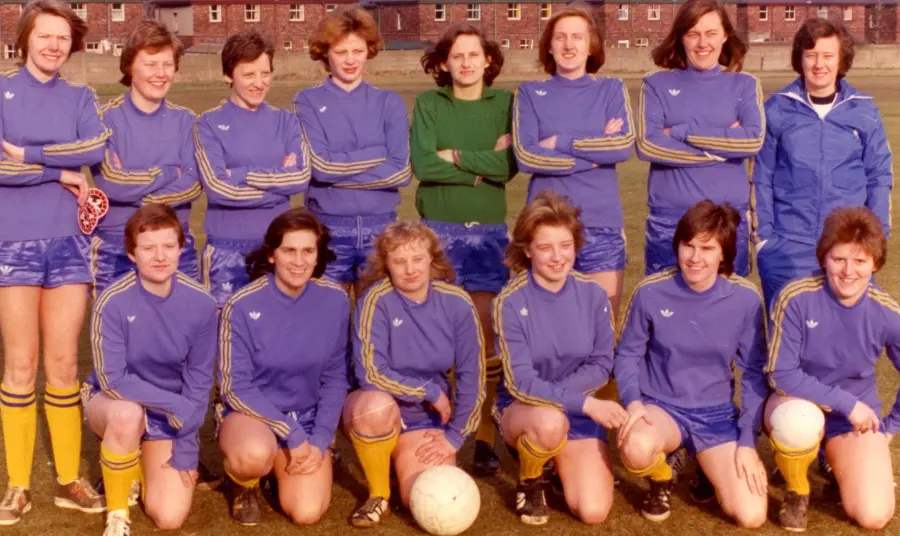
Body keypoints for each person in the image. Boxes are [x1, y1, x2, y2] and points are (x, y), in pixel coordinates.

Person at [0, 0, 110, 524]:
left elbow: (93, 147)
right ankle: (17, 484)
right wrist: (59, 173)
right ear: (25, 39)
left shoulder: (82, 96)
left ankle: (70, 478)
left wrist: (28, 157)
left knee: (65, 365)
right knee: (21, 365)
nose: (52, 45)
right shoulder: (1, 90)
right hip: (12, 243)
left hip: (68, 244)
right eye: (44, 36)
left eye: (62, 38)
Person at [614, 200, 768, 528]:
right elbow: (627, 354)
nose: (695, 258)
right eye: (688, 246)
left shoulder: (745, 298)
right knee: (637, 448)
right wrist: (634, 403)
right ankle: (662, 476)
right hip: (661, 408)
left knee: (752, 515)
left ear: (724, 253)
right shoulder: (651, 292)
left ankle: (703, 462)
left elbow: (753, 372)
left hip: (715, 414)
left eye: (707, 248)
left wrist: (746, 442)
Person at [411, 22, 517, 477]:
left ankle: (486, 439)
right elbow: (422, 163)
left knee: (484, 336)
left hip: (488, 231)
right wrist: (480, 168)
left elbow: (511, 164)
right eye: (457, 56)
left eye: (474, 54)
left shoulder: (506, 103)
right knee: (438, 337)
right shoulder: (429, 103)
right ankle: (440, 427)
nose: (467, 63)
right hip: (437, 230)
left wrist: (456, 156)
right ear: (443, 63)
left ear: (488, 60)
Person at [492, 191, 627, 526]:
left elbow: (601, 363)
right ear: (526, 249)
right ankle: (530, 479)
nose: (557, 257)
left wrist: (566, 400)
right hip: (525, 409)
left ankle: (557, 466)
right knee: (549, 422)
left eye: (565, 245)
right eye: (545, 247)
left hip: (575, 408)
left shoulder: (594, 295)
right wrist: (581, 404)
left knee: (593, 511)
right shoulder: (509, 302)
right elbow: (521, 382)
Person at [84, 204, 217, 536]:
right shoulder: (112, 301)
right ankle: (117, 516)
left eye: (168, 246)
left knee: (169, 516)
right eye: (148, 248)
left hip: (167, 414)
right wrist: (177, 406)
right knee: (128, 415)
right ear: (132, 254)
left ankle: (133, 464)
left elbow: (199, 378)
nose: (160, 256)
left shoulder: (201, 302)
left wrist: (187, 444)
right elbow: (113, 378)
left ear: (181, 248)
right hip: (114, 401)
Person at [342, 221, 484, 527]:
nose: (410, 269)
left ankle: (397, 462)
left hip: (424, 419)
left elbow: (473, 375)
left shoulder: (457, 303)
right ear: (386, 265)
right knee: (375, 404)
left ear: (431, 258)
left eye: (417, 258)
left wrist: (455, 437)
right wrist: (429, 391)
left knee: (420, 496)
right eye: (399, 261)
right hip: (377, 408)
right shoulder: (375, 301)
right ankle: (378, 494)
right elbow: (369, 372)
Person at [765, 206, 898, 532]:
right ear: (823, 258)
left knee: (874, 515)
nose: (848, 271)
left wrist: (890, 428)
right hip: (796, 403)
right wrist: (847, 404)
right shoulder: (795, 297)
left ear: (875, 264)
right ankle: (797, 489)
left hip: (852, 420)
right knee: (798, 422)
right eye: (839, 259)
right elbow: (781, 374)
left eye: (860, 261)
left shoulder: (887, 312)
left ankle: (836, 466)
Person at [216, 208, 349, 527]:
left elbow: (335, 377)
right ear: (272, 254)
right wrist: (290, 433)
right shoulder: (243, 304)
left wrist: (319, 439)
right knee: (252, 454)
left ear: (318, 255)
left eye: (308, 251)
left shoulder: (336, 299)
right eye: (289, 250)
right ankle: (244, 483)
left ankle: (280, 469)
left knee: (306, 513)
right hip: (252, 416)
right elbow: (235, 387)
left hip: (306, 419)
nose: (299, 261)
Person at [752, 19, 892, 308]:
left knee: (842, 341)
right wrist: (765, 240)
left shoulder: (863, 110)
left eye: (828, 55)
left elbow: (879, 177)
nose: (819, 64)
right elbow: (760, 178)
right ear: (799, 59)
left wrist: (875, 238)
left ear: (841, 60)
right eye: (811, 54)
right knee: (786, 338)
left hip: (846, 248)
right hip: (787, 247)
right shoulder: (776, 108)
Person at [511, 3, 633, 317]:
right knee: (546, 325)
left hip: (600, 223)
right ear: (549, 46)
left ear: (591, 45)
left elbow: (620, 147)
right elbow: (526, 156)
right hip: (544, 226)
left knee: (601, 325)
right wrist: (591, 157)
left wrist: (559, 142)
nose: (569, 45)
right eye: (561, 37)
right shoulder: (529, 92)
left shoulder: (611, 89)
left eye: (577, 37)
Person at [636, 0, 764, 277]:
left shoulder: (744, 85)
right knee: (665, 309)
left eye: (711, 33)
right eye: (693, 33)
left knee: (727, 309)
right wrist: (722, 148)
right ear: (681, 37)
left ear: (725, 35)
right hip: (670, 220)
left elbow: (752, 140)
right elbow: (648, 144)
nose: (702, 43)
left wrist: (682, 132)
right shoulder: (656, 83)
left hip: (728, 220)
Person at [295, 7, 411, 299]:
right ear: (325, 53)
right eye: (341, 51)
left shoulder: (389, 102)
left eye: (357, 51)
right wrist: (376, 153)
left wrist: (337, 176)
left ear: (369, 51)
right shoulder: (307, 100)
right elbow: (320, 167)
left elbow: (400, 170)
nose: (350, 60)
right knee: (325, 320)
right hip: (328, 226)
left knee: (376, 318)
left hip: (381, 227)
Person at [195, 30, 310, 308]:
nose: (259, 83)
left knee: (276, 339)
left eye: (265, 73)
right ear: (228, 75)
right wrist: (277, 189)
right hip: (225, 250)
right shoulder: (207, 123)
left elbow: (300, 177)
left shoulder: (287, 121)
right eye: (249, 75)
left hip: (276, 250)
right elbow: (218, 188)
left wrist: (241, 174)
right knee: (224, 337)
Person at [91, 19, 202, 298]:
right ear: (129, 66)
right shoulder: (104, 119)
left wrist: (137, 193)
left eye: (167, 64)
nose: (160, 73)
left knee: (180, 337)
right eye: (150, 64)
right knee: (121, 337)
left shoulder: (187, 121)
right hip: (116, 247)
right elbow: (112, 183)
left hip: (176, 245)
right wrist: (167, 173)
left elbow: (193, 183)